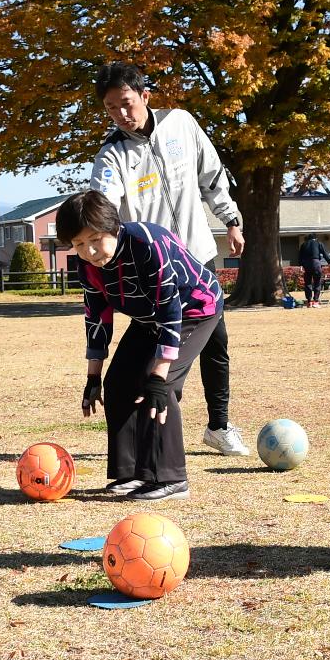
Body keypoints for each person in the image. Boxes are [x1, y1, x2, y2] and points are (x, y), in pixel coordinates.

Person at [89, 62, 250, 456]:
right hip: (153, 268)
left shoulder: (181, 124)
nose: (121, 115)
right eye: (111, 109)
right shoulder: (111, 158)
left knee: (216, 342)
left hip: (197, 257)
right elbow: (104, 208)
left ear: (144, 96)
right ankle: (156, 432)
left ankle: (219, 425)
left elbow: (210, 176)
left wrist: (231, 219)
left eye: (126, 103)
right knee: (166, 352)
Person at [56, 190, 222, 502]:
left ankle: (170, 478)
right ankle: (131, 472)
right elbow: (97, 317)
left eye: (95, 239)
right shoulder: (88, 267)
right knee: (117, 382)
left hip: (194, 309)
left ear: (114, 228)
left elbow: (171, 308)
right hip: (148, 318)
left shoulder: (148, 243)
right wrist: (93, 376)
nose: (90, 251)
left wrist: (159, 374)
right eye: (79, 244)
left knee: (160, 384)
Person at [298, 233, 330, 307]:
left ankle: (309, 302)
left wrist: (300, 266)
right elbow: (325, 253)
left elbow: (300, 256)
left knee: (308, 283)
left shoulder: (303, 244)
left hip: (306, 264)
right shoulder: (318, 243)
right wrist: (329, 262)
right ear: (315, 238)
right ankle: (316, 301)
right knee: (317, 282)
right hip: (316, 263)